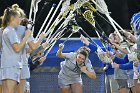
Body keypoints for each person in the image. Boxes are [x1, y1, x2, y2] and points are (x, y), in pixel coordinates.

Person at [1, 7, 31, 93]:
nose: (21, 19)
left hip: (8, 65)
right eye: (19, 17)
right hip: (11, 66)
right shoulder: (10, 31)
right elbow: (17, 48)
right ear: (13, 18)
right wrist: (26, 36)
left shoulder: (8, 30)